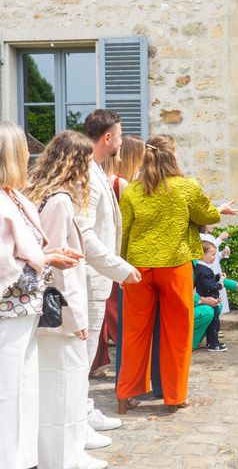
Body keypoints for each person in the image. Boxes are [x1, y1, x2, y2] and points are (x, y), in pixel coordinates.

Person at [117, 134, 237, 414]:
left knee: (134, 334)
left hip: (138, 268)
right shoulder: (186, 187)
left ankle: (125, 395)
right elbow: (209, 216)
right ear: (172, 157)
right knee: (176, 334)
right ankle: (174, 396)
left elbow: (123, 233)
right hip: (175, 267)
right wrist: (217, 208)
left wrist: (121, 268)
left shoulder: (133, 190)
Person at [0, 121, 81, 469]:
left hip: (24, 306)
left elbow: (27, 248)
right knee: (8, 389)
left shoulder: (13, 197)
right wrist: (47, 256)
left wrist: (48, 253)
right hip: (9, 306)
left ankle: (23, 458)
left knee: (25, 384)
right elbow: (5, 261)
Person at [26, 130, 109, 469]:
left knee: (60, 384)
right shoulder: (59, 201)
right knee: (64, 385)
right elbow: (56, 267)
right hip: (60, 313)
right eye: (87, 161)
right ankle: (65, 458)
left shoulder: (41, 195)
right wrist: (75, 320)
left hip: (53, 312)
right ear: (75, 163)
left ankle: (67, 453)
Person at [77, 109, 141, 449]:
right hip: (89, 278)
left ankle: (83, 410)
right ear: (107, 138)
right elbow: (85, 234)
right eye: (119, 134)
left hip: (97, 279)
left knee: (84, 356)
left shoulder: (96, 170)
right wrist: (120, 268)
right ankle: (77, 423)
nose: (121, 140)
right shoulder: (87, 174)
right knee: (81, 356)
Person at [92, 134, 145, 376]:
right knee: (115, 314)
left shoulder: (108, 180)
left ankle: (97, 360)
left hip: (105, 256)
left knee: (104, 312)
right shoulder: (121, 184)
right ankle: (130, 365)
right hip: (115, 255)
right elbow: (130, 223)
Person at [192, 236, 238, 352]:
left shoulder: (200, 263)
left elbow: (213, 278)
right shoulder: (192, 265)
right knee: (208, 310)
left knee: (217, 306)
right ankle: (190, 343)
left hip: (192, 301)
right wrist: (202, 300)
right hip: (179, 306)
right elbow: (178, 293)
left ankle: (209, 341)